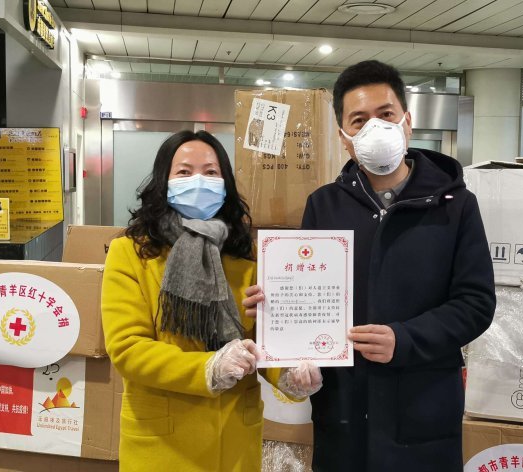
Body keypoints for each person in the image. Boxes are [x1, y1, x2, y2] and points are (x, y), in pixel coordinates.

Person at [243, 61, 497, 470]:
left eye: (386, 114)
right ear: (344, 137)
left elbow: (476, 303)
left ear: (407, 123)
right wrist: (275, 312)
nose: (374, 127)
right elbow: (309, 296)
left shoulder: (455, 206)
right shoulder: (324, 205)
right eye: (359, 120)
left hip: (422, 408)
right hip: (345, 412)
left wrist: (405, 339)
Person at [101, 130, 322, 472]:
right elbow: (128, 349)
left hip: (234, 442)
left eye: (210, 172)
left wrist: (289, 373)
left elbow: (260, 340)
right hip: (163, 445)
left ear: (225, 183)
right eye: (184, 172)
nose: (199, 181)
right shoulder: (131, 252)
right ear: (164, 181)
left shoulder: (247, 254)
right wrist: (208, 368)